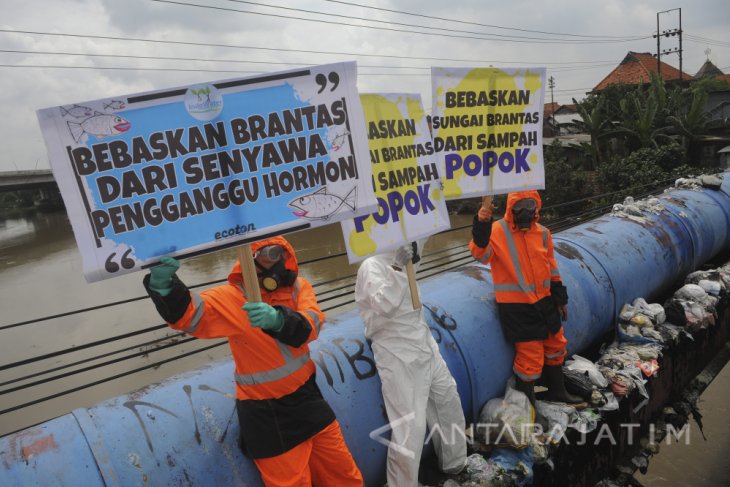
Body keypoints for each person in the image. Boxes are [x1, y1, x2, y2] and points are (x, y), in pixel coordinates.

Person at [144, 236, 363, 487]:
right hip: (267, 414)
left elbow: (312, 324)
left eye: (280, 253)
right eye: (267, 254)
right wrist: (165, 286)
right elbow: (190, 316)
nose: (276, 260)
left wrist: (279, 320)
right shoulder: (233, 298)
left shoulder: (297, 288)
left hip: (308, 397)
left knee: (345, 476)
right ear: (250, 259)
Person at [355, 241, 467, 487]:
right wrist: (397, 267)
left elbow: (426, 224)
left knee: (448, 402)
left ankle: (455, 465)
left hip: (423, 343)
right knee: (410, 429)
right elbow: (384, 305)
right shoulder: (371, 265)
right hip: (396, 353)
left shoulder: (411, 251)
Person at [469, 191, 582, 406]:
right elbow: (480, 254)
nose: (524, 211)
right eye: (519, 206)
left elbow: (552, 268)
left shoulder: (543, 233)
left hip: (545, 301)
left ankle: (557, 391)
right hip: (517, 306)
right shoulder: (497, 230)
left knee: (556, 345)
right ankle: (528, 406)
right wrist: (481, 223)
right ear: (510, 207)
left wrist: (560, 298)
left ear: (537, 206)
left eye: (529, 204)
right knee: (530, 357)